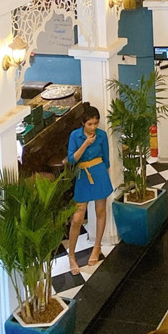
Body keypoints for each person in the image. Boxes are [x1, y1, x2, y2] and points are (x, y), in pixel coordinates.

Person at [66, 103, 112, 274]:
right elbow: (72, 159)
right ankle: (71, 255)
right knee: (77, 217)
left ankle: (97, 247)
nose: (93, 127)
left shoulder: (102, 135)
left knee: (100, 211)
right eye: (89, 124)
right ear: (83, 123)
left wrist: (104, 176)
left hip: (99, 172)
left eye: (95, 123)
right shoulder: (75, 136)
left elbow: (106, 159)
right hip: (83, 175)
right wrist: (85, 144)